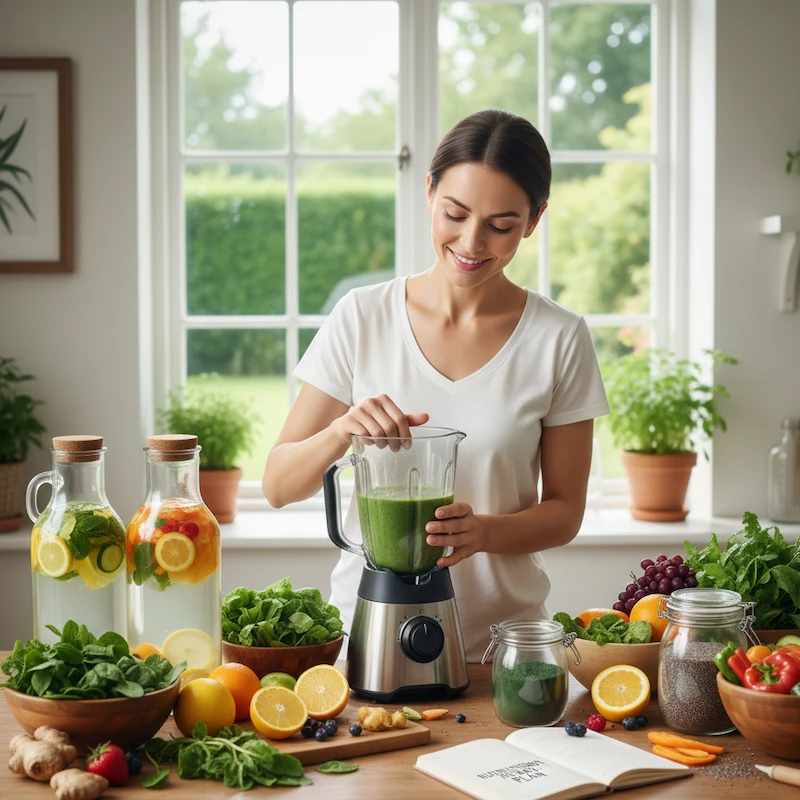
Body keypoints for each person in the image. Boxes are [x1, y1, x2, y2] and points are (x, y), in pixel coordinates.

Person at [262, 109, 610, 661]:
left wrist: (485, 533)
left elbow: (566, 511)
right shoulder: (362, 317)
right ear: (429, 191)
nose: (472, 242)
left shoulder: (559, 337)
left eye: (501, 225)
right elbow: (279, 485)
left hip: (503, 654)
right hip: (367, 642)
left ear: (535, 219)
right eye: (456, 213)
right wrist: (342, 432)